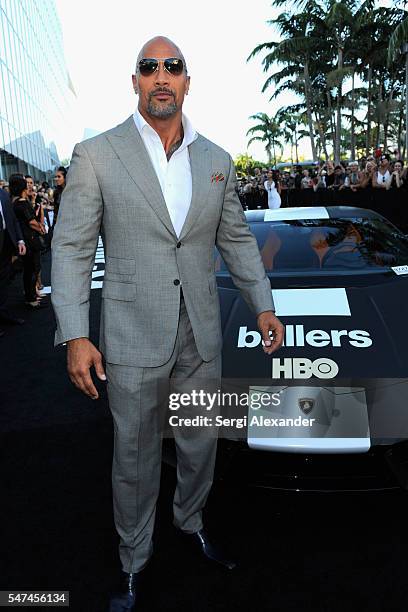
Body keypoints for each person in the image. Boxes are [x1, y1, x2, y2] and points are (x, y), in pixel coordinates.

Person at [51, 36, 284, 610]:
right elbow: (73, 248)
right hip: (131, 337)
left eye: (172, 67)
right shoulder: (98, 154)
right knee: (133, 456)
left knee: (201, 442)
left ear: (187, 81)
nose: (162, 76)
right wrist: (76, 334)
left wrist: (264, 304)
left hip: (200, 335)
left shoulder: (216, 160)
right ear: (134, 82)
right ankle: (134, 559)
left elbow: (236, 241)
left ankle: (190, 519)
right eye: (149, 67)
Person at [10, 175, 47, 309]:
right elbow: (31, 222)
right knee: (31, 269)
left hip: (25, 240)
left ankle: (31, 295)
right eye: (26, 183)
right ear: (22, 186)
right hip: (30, 241)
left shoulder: (15, 202)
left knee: (30, 269)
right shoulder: (21, 203)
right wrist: (41, 229)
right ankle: (31, 298)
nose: (29, 186)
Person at [0, 185, 26, 335]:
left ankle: (3, 314)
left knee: (3, 282)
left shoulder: (3, 194)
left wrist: (20, 240)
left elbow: (13, 220)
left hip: (5, 246)